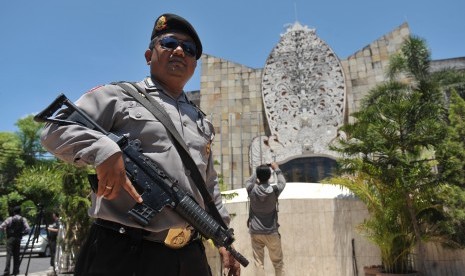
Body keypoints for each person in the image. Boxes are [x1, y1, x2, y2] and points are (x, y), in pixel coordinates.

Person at [39, 13, 240, 276]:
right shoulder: (120, 96)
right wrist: (103, 150)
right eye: (169, 43)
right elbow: (54, 129)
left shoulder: (201, 122)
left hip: (190, 256)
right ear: (149, 56)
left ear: (193, 65)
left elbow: (209, 186)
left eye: (189, 49)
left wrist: (223, 238)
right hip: (124, 251)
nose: (180, 50)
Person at [246, 163, 286, 276]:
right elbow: (283, 182)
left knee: (258, 263)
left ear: (258, 176)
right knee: (278, 263)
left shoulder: (251, 189)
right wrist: (276, 168)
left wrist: (258, 169)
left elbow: (249, 181)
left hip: (255, 232)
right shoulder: (274, 190)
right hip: (271, 231)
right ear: (269, 176)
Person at [0, 206, 30, 276]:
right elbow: (28, 229)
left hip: (10, 238)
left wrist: (4, 232)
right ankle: (16, 271)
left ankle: (6, 272)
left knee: (9, 255)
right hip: (18, 238)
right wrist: (22, 233)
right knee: (17, 256)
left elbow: (1, 226)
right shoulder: (23, 219)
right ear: (20, 212)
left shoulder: (10, 219)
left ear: (14, 212)